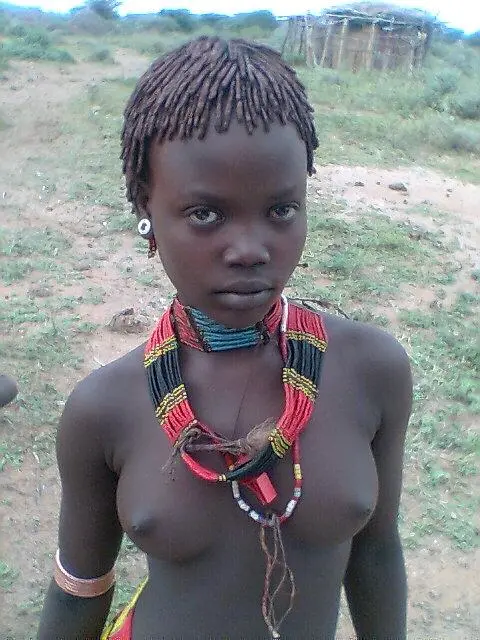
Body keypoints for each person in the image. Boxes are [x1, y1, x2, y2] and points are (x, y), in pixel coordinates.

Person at [37, 36, 412, 640]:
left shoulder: (372, 371)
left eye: (281, 210)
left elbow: (376, 553)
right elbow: (79, 589)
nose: (250, 250)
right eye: (206, 214)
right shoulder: (103, 408)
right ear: (146, 210)